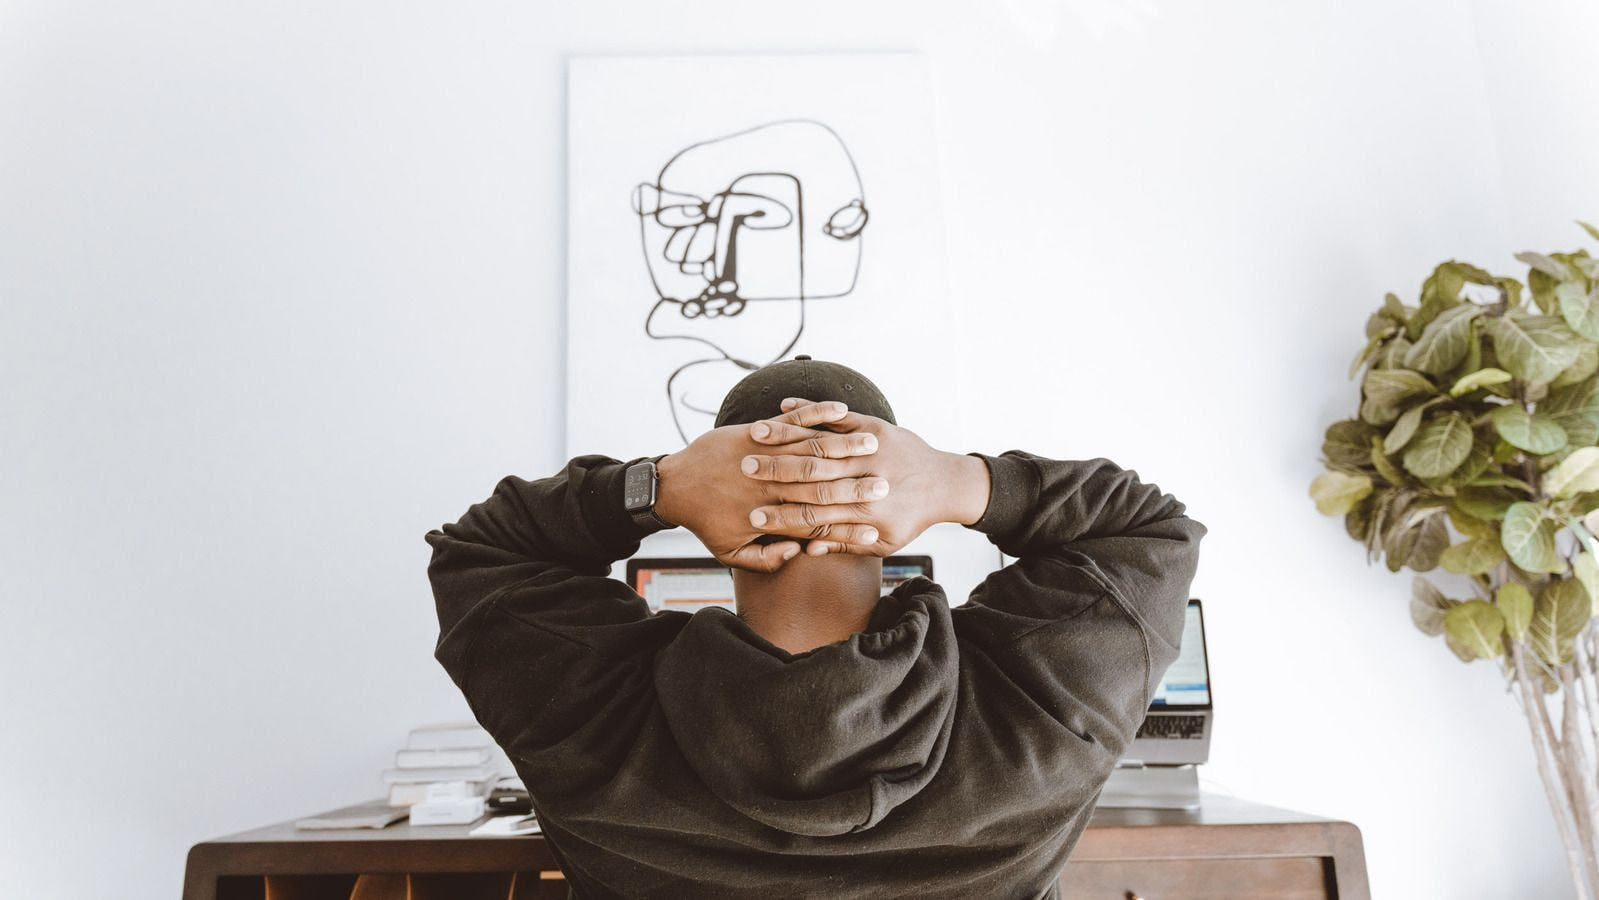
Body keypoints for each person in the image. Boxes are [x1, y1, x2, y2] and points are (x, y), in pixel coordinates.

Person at [425, 357, 1205, 899]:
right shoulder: (1043, 710)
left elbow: (482, 550)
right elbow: (1147, 529)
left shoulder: (585, 716)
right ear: (890, 499)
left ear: (713, 511)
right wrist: (956, 480)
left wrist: (654, 489)